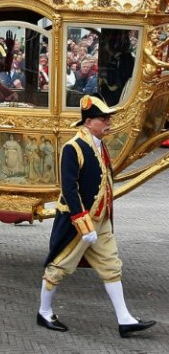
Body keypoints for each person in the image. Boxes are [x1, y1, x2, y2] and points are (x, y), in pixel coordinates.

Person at [37, 95, 155, 337]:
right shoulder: (73, 148)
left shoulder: (100, 145)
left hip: (100, 220)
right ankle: (44, 312)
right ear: (89, 122)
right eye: (103, 119)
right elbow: (69, 189)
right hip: (77, 222)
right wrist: (83, 224)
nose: (108, 122)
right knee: (58, 267)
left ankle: (125, 319)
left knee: (111, 266)